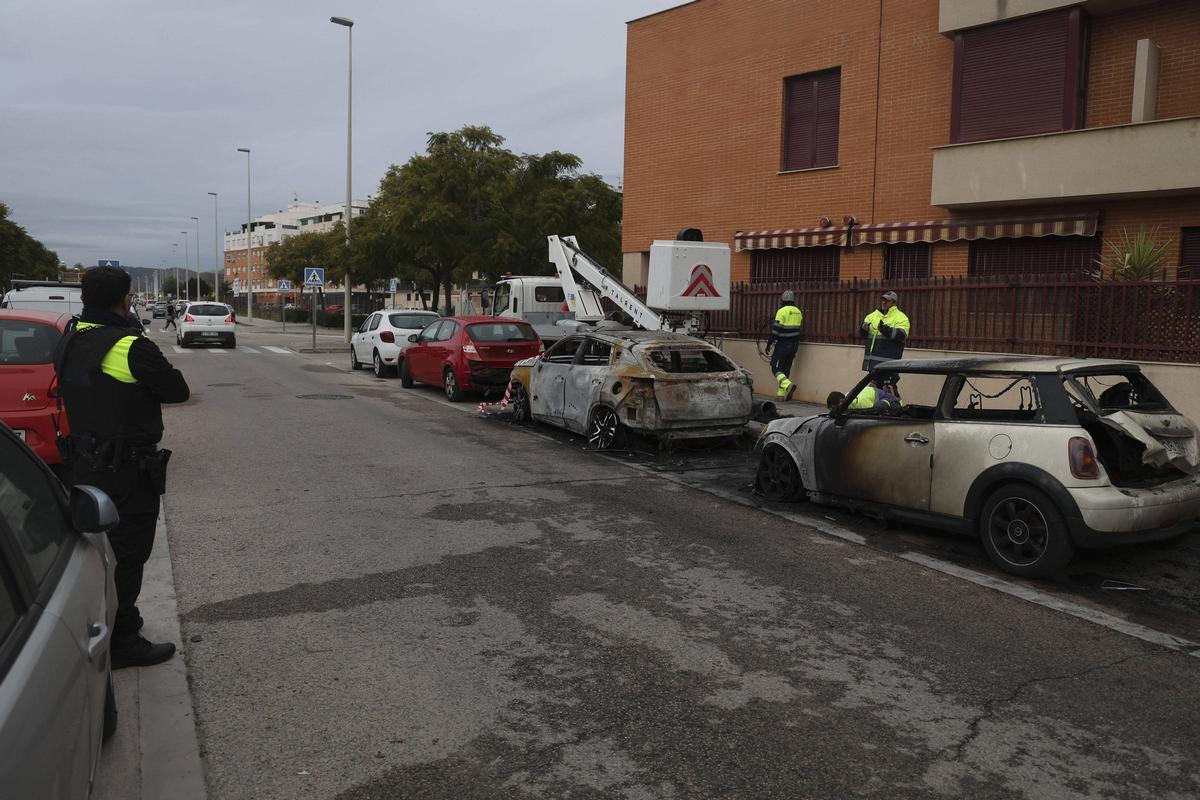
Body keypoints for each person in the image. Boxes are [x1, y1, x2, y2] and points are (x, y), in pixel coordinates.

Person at [53, 266, 190, 669]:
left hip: (82, 463)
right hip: (126, 470)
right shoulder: (129, 344)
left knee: (100, 552)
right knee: (130, 553)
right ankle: (124, 640)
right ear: (125, 297)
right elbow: (176, 390)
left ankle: (106, 625)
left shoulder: (69, 338)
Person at [861, 290, 910, 377]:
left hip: (889, 366)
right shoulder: (872, 316)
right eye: (883, 300)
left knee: (888, 389)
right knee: (874, 390)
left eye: (887, 300)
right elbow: (863, 335)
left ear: (894, 302)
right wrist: (863, 329)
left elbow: (902, 336)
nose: (884, 302)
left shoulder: (901, 318)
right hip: (872, 365)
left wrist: (885, 329)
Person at [765, 289, 803, 400]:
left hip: (783, 344)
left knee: (775, 367)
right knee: (785, 368)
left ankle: (787, 385)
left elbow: (776, 330)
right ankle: (780, 394)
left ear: (783, 299)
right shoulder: (798, 312)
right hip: (794, 344)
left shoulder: (781, 311)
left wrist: (769, 343)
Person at [826, 379, 902, 412]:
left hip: (894, 402)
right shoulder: (846, 397)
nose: (836, 411)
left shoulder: (861, 402)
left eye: (835, 409)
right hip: (875, 394)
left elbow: (872, 417)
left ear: (842, 401)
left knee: (878, 408)